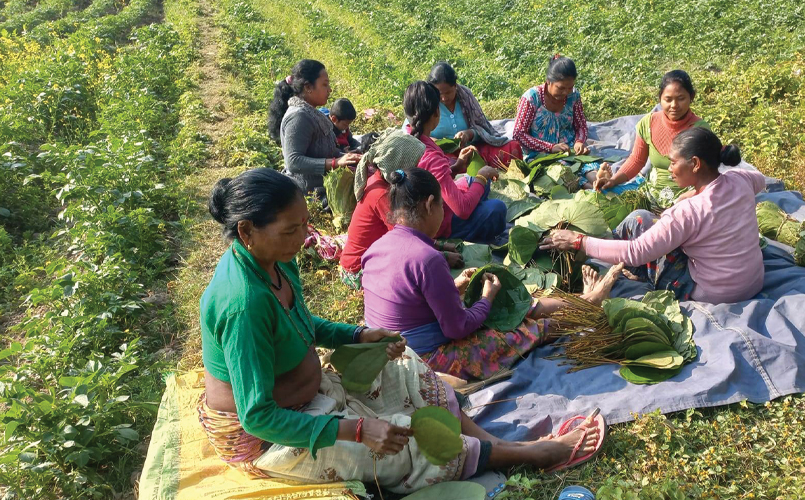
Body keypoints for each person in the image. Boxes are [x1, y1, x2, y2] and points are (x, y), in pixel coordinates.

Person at [199, 168, 603, 490]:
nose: (304, 237)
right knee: (408, 442)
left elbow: (303, 325)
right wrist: (357, 429)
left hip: (309, 394)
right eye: (291, 230)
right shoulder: (243, 303)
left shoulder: (278, 261)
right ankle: (528, 454)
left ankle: (491, 443)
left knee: (406, 364)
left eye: (305, 224)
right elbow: (257, 417)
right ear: (247, 232)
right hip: (272, 435)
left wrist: (356, 335)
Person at [361, 168, 625, 381]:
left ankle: (583, 299)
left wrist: (456, 286)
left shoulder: (376, 248)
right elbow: (457, 328)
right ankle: (587, 306)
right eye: (443, 204)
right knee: (527, 328)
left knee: (515, 305)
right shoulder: (427, 258)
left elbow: (409, 299)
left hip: (383, 352)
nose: (443, 213)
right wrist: (486, 299)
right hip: (420, 360)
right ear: (430, 204)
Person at [542, 128, 764, 304]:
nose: (669, 169)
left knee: (637, 222)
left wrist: (578, 240)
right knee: (646, 219)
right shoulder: (740, 179)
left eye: (674, 162)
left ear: (695, 164)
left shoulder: (688, 212)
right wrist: (692, 193)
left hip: (712, 292)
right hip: (752, 281)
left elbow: (636, 252)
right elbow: (760, 181)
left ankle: (598, 261)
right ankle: (604, 254)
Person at [339, 128, 462, 289]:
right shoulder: (382, 195)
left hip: (372, 257)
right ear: (400, 165)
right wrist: (444, 256)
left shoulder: (383, 183)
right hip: (358, 270)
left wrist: (439, 246)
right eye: (414, 163)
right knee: (417, 279)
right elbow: (406, 240)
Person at [404, 81, 507, 243]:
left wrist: (457, 167)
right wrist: (481, 176)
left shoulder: (405, 142)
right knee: (497, 208)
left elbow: (429, 181)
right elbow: (462, 209)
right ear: (436, 113)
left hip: (417, 215)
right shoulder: (431, 157)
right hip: (437, 224)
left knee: (477, 184)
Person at [593, 70, 710, 205]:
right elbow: (636, 160)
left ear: (692, 97)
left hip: (686, 200)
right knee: (600, 196)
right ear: (660, 98)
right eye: (668, 99)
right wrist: (613, 181)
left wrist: (689, 197)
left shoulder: (700, 130)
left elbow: (709, 174)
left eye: (681, 98)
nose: (674, 105)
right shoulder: (648, 123)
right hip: (649, 193)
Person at [267, 59, 361, 203]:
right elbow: (293, 161)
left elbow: (321, 150)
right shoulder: (298, 117)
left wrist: (346, 157)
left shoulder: (310, 112)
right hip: (309, 193)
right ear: (308, 87)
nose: (329, 89)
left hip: (321, 184)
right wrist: (335, 163)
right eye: (324, 84)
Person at [512, 55, 599, 187]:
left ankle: (599, 181)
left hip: (569, 148)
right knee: (563, 172)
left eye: (570, 87)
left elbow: (581, 125)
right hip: (541, 154)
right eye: (561, 88)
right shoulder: (531, 98)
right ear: (548, 81)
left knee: (590, 168)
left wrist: (579, 141)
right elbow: (518, 134)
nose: (566, 92)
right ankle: (585, 186)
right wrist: (550, 147)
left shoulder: (574, 96)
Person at [426, 61, 522, 168]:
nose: (444, 98)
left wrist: (469, 134)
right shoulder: (426, 102)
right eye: (440, 94)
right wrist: (436, 142)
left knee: (512, 148)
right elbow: (413, 131)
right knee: (444, 166)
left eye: (448, 93)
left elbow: (481, 127)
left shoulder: (465, 97)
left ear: (455, 86)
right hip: (442, 155)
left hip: (472, 150)